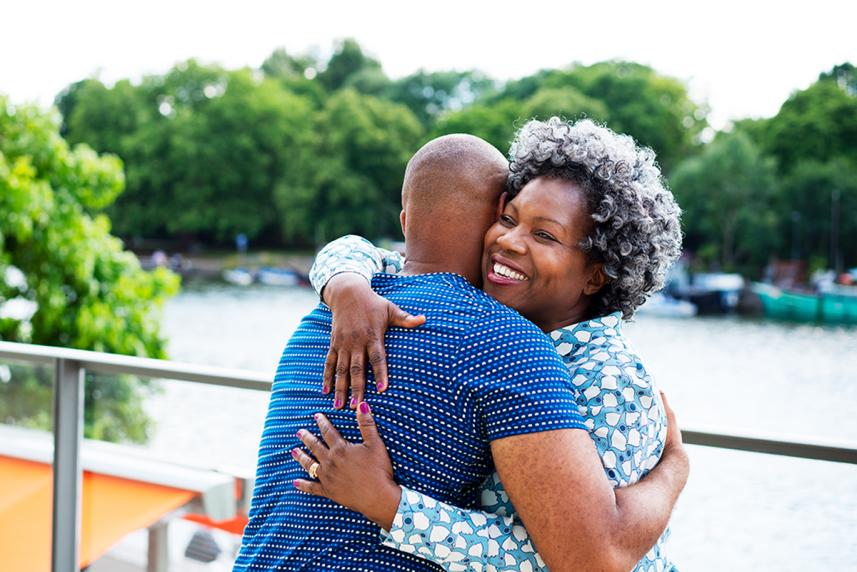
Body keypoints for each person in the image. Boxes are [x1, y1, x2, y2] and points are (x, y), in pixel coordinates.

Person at [234, 132, 688, 571]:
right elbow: (358, 250)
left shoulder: (608, 379)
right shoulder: (407, 308)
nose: (510, 241)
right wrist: (346, 283)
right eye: (508, 220)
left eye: (545, 235)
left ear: (596, 275)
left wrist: (673, 472)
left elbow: (587, 557)